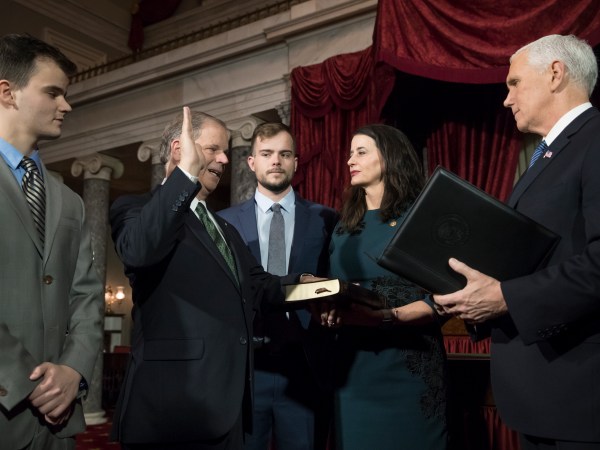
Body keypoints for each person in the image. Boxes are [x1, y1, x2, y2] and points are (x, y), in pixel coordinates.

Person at [433, 34, 600, 449]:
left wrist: (507, 297)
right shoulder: (551, 152)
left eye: (514, 83)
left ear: (556, 74)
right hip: (546, 392)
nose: (506, 99)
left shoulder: (595, 141)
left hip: (580, 395)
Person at [109, 108, 293, 450]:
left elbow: (261, 287)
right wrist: (184, 175)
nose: (225, 159)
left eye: (225, 150)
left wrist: (321, 288)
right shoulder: (133, 207)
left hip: (227, 406)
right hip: (171, 409)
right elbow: (139, 250)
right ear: (180, 149)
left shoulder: (224, 227)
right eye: (213, 149)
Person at [0, 34, 104, 450]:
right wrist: (28, 383)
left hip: (58, 426)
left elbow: (88, 296)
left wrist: (73, 371)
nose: (67, 105)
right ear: (7, 92)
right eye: (53, 92)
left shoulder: (71, 201)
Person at [318, 124, 448, 450]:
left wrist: (388, 317)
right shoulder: (343, 229)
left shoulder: (422, 218)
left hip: (410, 368)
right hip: (354, 371)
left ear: (389, 158)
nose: (350, 160)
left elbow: (445, 298)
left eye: (361, 152)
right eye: (349, 153)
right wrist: (327, 310)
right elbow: (337, 290)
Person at [218, 122, 338, 450]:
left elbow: (333, 281)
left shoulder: (326, 219)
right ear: (251, 161)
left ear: (296, 162)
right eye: (267, 154)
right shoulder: (223, 222)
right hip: (246, 369)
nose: (276, 161)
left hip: (305, 365)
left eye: (285, 154)